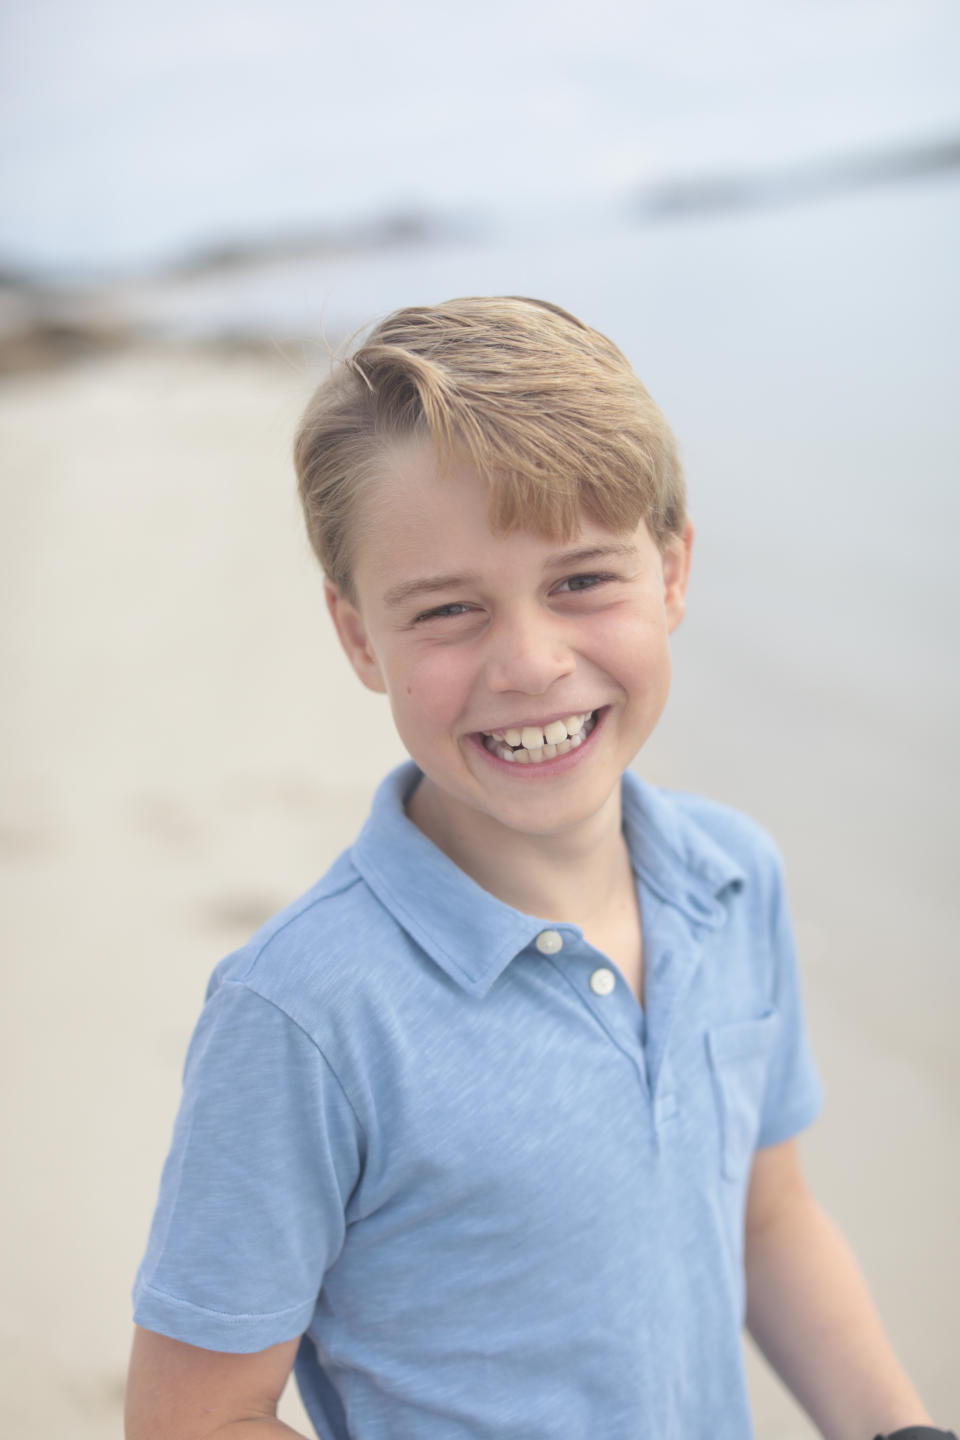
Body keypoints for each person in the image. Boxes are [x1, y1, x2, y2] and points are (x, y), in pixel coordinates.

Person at [125, 297, 951, 1440]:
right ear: (360, 637)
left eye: (580, 583)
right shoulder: (304, 1017)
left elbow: (765, 1219)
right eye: (450, 610)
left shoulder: (733, 879)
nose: (529, 663)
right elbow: (194, 1418)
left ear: (673, 570)